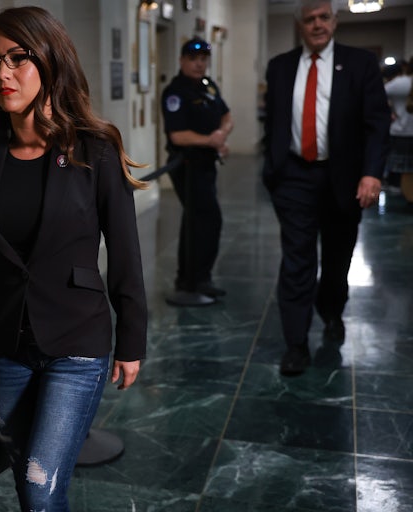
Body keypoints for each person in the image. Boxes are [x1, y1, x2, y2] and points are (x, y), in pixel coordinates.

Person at [0, 6, 147, 511]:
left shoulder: (94, 149)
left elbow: (125, 252)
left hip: (77, 344)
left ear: (52, 62)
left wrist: (132, 339)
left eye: (19, 58)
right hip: (9, 345)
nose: (4, 73)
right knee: (29, 484)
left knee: (40, 483)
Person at [262, 0, 390, 376]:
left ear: (334, 21)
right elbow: (274, 123)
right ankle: (296, 343)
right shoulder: (280, 66)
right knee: (297, 260)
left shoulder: (361, 64)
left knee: (337, 261)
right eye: (309, 19)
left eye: (323, 18)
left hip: (344, 179)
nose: (317, 25)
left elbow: (377, 124)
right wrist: (274, 170)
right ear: (299, 25)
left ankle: (332, 311)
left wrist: (371, 173)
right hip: (294, 178)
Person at [161, 37, 233, 301]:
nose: (199, 64)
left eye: (203, 59)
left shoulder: (208, 86)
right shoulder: (175, 92)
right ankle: (191, 281)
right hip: (187, 166)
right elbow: (178, 135)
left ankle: (198, 277)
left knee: (201, 221)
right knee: (203, 220)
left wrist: (220, 137)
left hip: (206, 163)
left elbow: (227, 117)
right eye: (193, 59)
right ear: (182, 61)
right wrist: (210, 141)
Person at [382, 60, 413, 202]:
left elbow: (375, 96)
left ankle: (399, 190)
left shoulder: (397, 84)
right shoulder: (404, 83)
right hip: (403, 130)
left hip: (400, 130)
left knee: (403, 167)